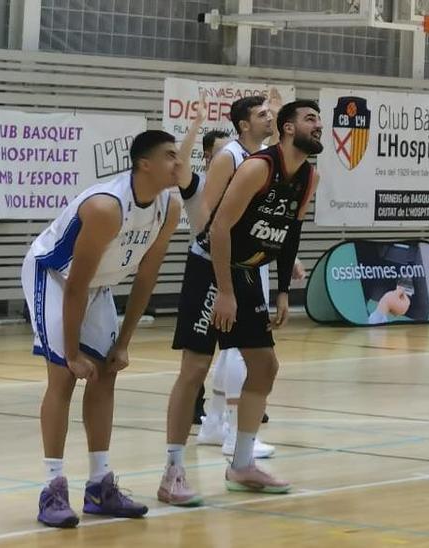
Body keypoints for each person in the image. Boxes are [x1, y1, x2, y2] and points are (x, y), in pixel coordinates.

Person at [158, 100, 322, 505]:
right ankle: (172, 472)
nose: (319, 126)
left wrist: (283, 290)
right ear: (288, 128)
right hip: (211, 267)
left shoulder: (308, 176)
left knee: (265, 365)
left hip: (247, 271)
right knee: (195, 367)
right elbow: (217, 228)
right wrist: (225, 291)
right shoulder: (256, 167)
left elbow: (291, 234)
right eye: (311, 119)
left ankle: (243, 464)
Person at [24, 130, 183, 527]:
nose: (178, 163)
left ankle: (99, 486)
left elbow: (147, 275)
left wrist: (124, 342)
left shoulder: (170, 206)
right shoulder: (106, 207)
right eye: (169, 156)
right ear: (144, 164)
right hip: (55, 277)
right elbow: (75, 285)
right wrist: (74, 352)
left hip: (98, 284)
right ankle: (52, 489)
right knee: (63, 377)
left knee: (106, 373)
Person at [188, 93, 289, 459]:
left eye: (271, 113)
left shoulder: (261, 157)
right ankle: (233, 432)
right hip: (227, 263)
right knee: (237, 347)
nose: (270, 118)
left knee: (232, 348)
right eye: (263, 114)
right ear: (244, 124)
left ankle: (214, 424)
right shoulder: (230, 155)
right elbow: (207, 214)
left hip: (251, 259)